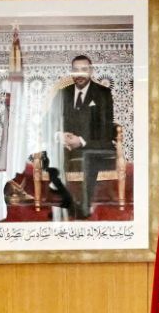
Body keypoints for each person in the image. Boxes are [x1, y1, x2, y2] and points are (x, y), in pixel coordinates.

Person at [49, 54, 115, 217]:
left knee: (89, 155)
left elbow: (106, 129)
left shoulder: (103, 94)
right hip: (67, 145)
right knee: (53, 153)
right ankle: (66, 203)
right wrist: (59, 135)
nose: (79, 74)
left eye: (84, 70)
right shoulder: (63, 93)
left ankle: (85, 206)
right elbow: (48, 121)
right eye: (76, 70)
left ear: (91, 71)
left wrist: (81, 140)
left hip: (94, 145)